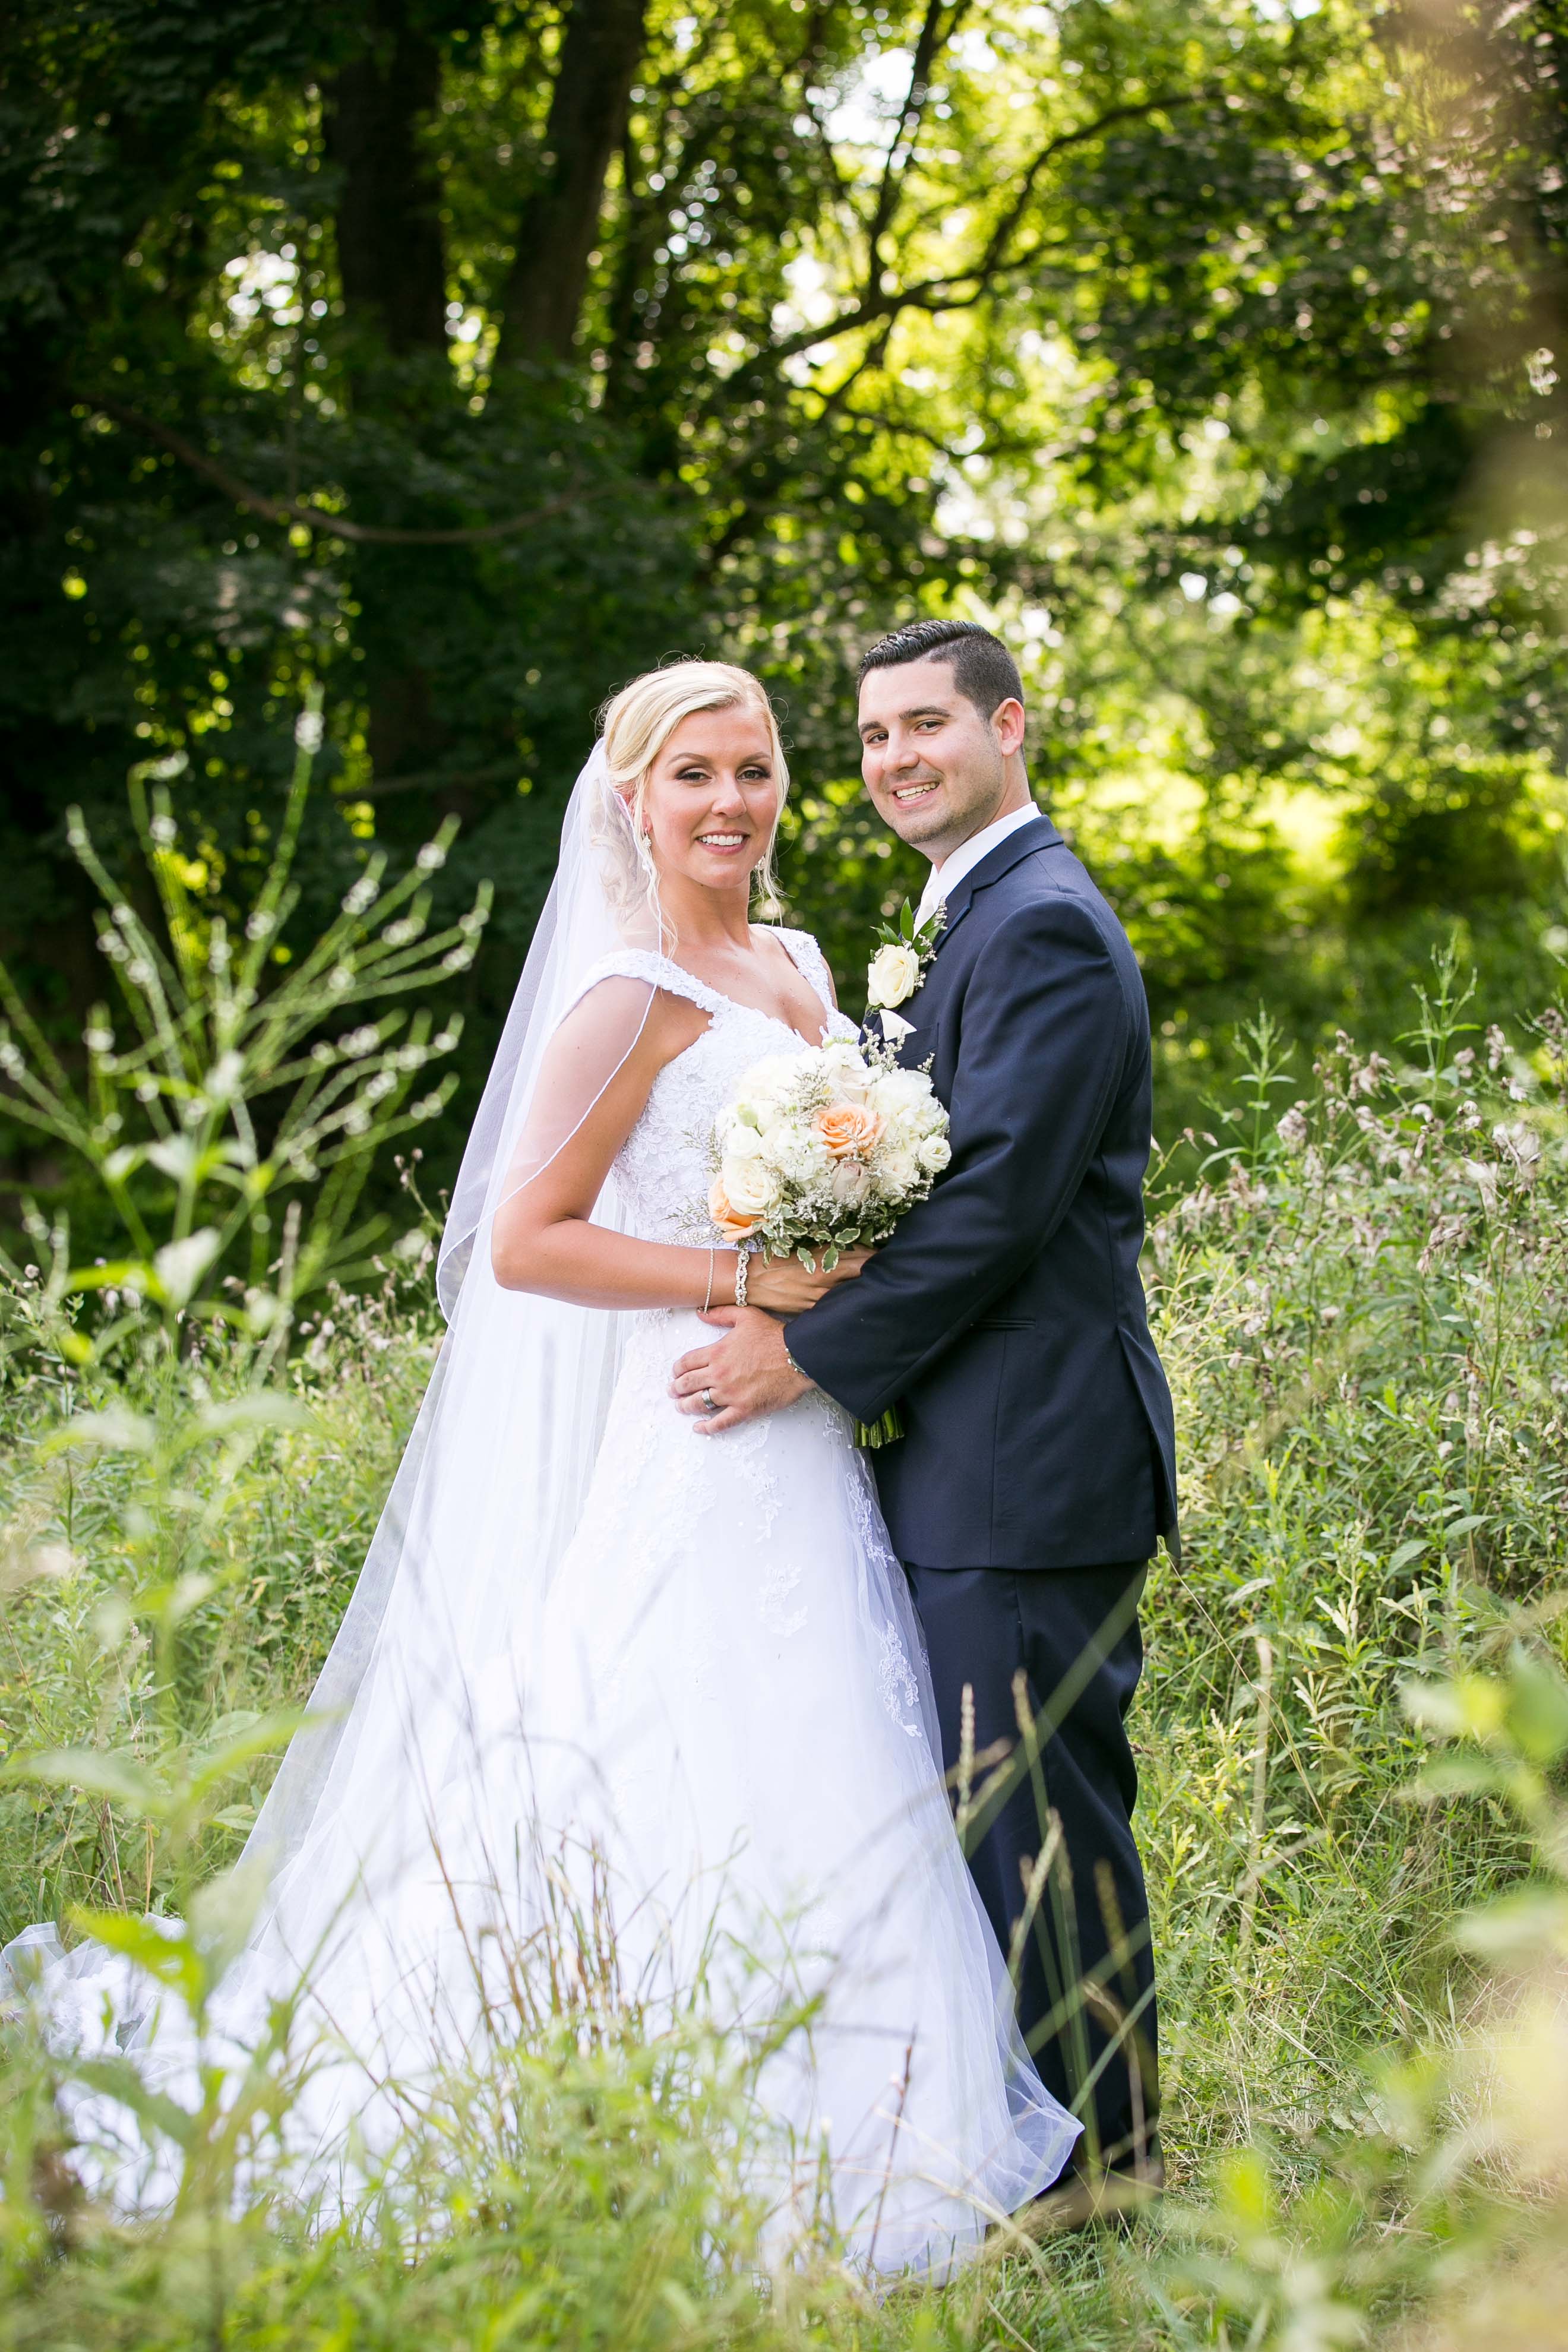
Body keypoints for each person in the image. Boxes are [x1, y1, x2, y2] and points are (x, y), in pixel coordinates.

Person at [4, 659, 1077, 2271]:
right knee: (660, 1739)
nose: (730, 802)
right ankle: (584, 2096)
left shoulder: (799, 962)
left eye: (756, 770)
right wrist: (745, 1280)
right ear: (632, 799)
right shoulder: (627, 995)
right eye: (692, 775)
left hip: (804, 1435)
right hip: (698, 1422)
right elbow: (523, 1241)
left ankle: (866, 2115)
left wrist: (845, 1262)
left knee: (827, 1743)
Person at [671, 621, 1178, 2187]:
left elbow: (1000, 1203)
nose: (895, 758)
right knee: (997, 1808)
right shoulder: (966, 917)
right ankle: (1052, 2141)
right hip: (976, 1449)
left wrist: (805, 1353)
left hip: (1032, 1453)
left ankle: (1108, 2165)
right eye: (875, 735)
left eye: (927, 726)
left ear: (1007, 728)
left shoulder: (1043, 927)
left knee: (1040, 1819)